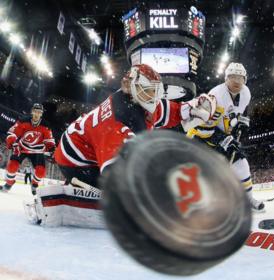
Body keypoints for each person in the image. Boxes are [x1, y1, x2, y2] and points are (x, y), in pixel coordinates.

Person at [25, 64, 216, 227]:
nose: (154, 96)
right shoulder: (119, 121)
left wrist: (192, 108)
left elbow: (163, 110)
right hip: (75, 162)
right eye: (149, 90)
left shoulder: (135, 99)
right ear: (133, 87)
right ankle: (67, 195)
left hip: (84, 147)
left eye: (154, 90)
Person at [186, 62, 265, 212]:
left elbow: (240, 112)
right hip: (200, 137)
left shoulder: (246, 93)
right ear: (225, 79)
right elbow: (203, 128)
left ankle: (248, 200)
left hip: (221, 134)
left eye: (240, 78)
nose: (236, 81)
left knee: (242, 164)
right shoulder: (215, 97)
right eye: (232, 77)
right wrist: (225, 140)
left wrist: (241, 122)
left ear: (245, 80)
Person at [0, 103, 55, 195]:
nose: (37, 114)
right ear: (32, 112)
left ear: (41, 114)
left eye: (39, 112)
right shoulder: (23, 121)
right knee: (12, 166)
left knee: (41, 171)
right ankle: (9, 183)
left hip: (37, 151)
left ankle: (34, 184)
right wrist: (13, 143)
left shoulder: (46, 125)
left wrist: (51, 149)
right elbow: (12, 133)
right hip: (22, 148)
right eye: (35, 111)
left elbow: (49, 140)